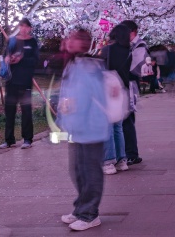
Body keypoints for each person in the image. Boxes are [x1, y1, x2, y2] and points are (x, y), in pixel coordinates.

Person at [57, 29, 109, 232]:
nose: (68, 42)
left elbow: (84, 99)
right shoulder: (74, 64)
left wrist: (71, 122)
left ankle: (89, 214)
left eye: (73, 39)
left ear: (83, 44)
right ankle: (81, 208)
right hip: (78, 128)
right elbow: (68, 97)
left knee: (89, 172)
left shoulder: (89, 67)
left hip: (91, 127)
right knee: (78, 170)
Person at [0, 18, 39, 149]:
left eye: (26, 26)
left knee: (26, 110)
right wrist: (8, 58)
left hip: (25, 80)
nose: (23, 28)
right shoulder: (12, 40)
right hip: (11, 80)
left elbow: (36, 60)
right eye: (21, 26)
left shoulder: (32, 42)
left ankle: (27, 139)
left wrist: (22, 58)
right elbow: (5, 56)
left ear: (30, 28)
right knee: (9, 110)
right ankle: (9, 139)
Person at [99, 24, 132, 176]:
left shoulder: (108, 50)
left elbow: (99, 68)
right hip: (122, 91)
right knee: (118, 127)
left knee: (108, 127)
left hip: (109, 90)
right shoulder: (128, 51)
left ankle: (108, 161)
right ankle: (122, 160)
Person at [120, 20, 145, 166]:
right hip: (125, 84)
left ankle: (131, 154)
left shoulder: (139, 46)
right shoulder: (131, 46)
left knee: (126, 119)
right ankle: (128, 152)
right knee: (125, 119)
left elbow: (135, 67)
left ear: (132, 32)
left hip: (129, 85)